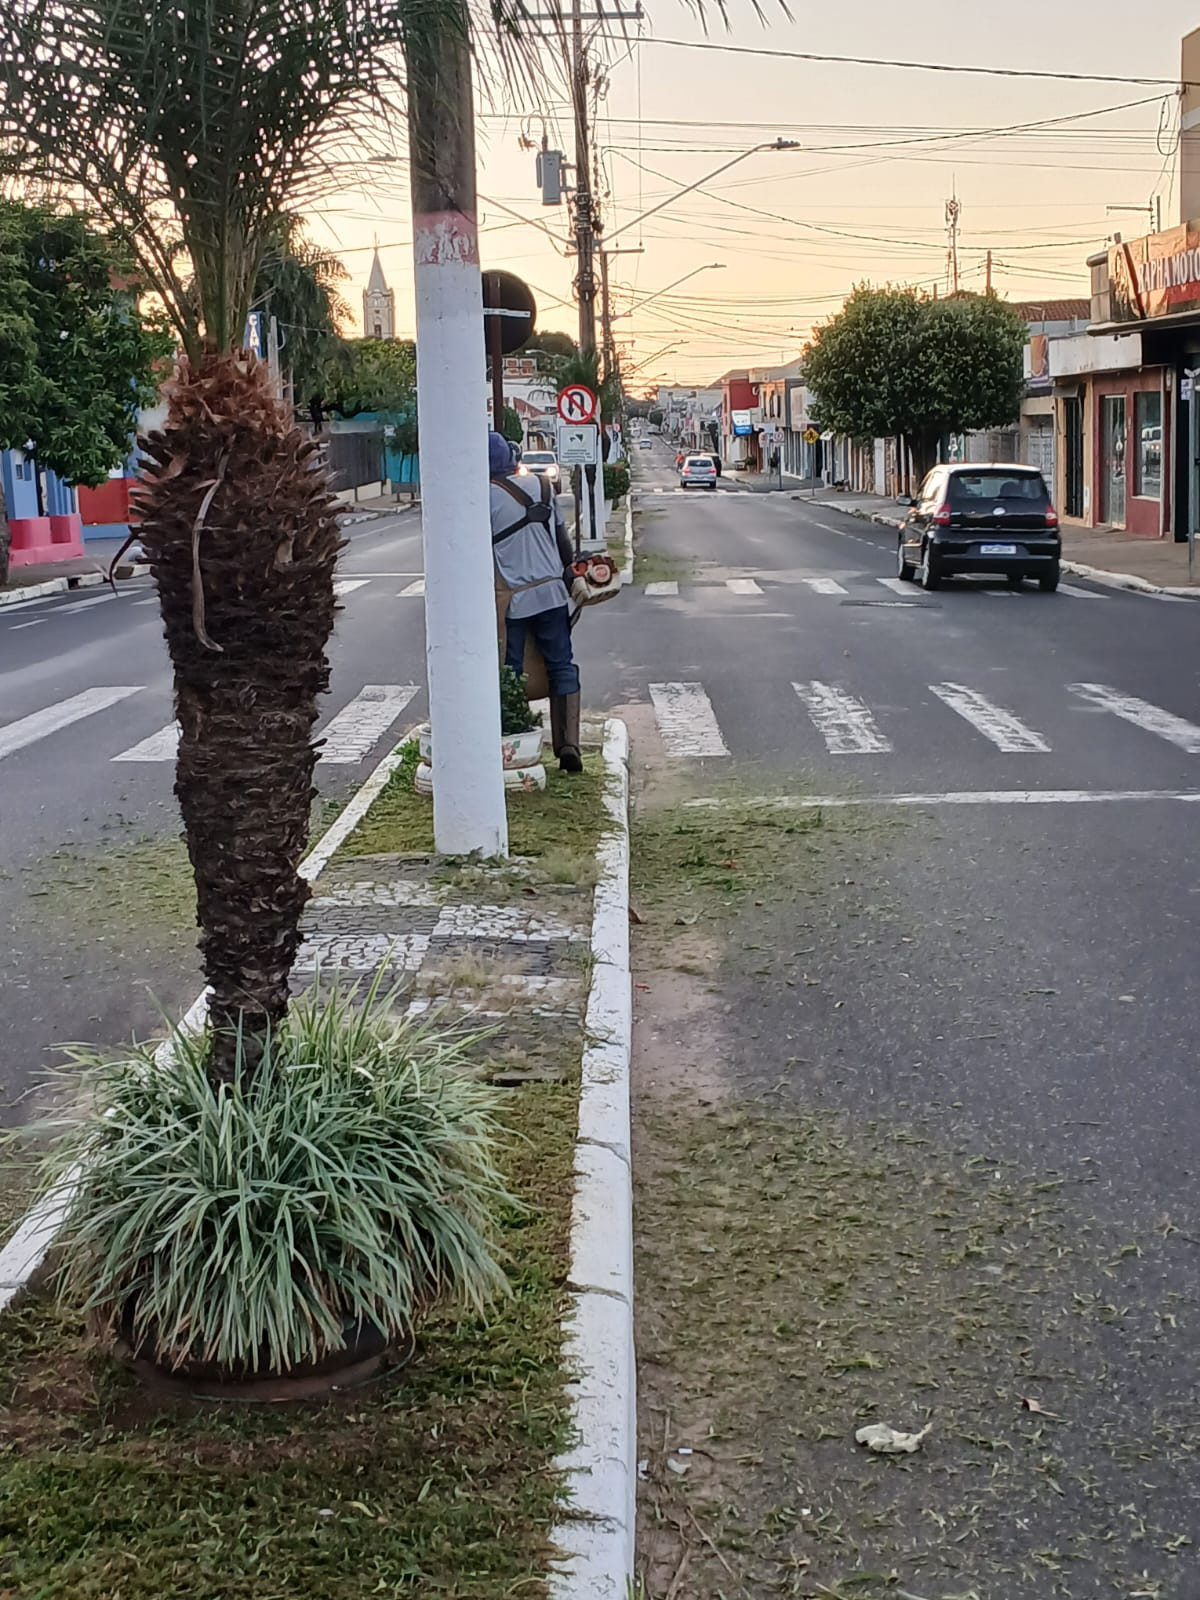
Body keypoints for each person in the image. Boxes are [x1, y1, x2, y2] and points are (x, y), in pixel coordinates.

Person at [489, 430, 587, 774]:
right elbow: (563, 540)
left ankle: (512, 738)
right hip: (552, 595)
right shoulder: (543, 487)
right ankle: (569, 745)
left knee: (511, 671)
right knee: (561, 664)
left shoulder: (483, 499)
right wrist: (569, 574)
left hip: (513, 601)